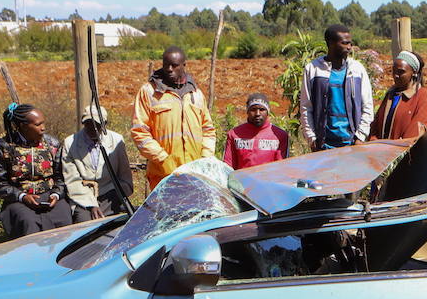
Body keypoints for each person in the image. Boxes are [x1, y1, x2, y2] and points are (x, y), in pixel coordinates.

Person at [130, 45, 216, 190]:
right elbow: (139, 132)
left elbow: (208, 129)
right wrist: (163, 159)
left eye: (174, 65)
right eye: (166, 65)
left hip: (194, 177)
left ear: (184, 66)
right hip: (163, 177)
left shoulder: (195, 94)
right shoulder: (149, 92)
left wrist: (204, 159)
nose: (169, 69)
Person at [0, 103, 72, 237]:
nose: (43, 128)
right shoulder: (5, 146)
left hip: (49, 196)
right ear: (23, 126)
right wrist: (22, 197)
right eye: (38, 125)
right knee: (28, 222)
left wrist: (56, 194)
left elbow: (60, 177)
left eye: (43, 123)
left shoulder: (52, 144)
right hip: (18, 199)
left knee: (64, 218)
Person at [299, 24, 373, 150]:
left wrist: (360, 137)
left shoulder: (357, 70)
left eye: (350, 43)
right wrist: (312, 138)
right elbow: (306, 107)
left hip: (351, 143)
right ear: (330, 43)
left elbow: (367, 106)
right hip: (324, 144)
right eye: (344, 43)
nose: (349, 47)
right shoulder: (313, 69)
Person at [62, 104, 134, 222]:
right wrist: (91, 204)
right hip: (82, 195)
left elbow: (124, 175)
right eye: (88, 124)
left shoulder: (116, 140)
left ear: (105, 124)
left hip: (109, 191)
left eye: (97, 125)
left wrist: (118, 195)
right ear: (83, 123)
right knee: (85, 222)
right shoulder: (70, 143)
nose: (93, 128)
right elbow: (72, 179)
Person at [371, 50, 427, 140]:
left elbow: (416, 132)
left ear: (414, 73)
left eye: (401, 72)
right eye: (394, 71)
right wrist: (375, 142)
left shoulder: (422, 96)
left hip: (404, 152)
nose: (396, 75)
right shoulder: (391, 95)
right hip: (383, 151)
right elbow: (376, 124)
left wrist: (399, 148)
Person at [223, 93, 289, 169]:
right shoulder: (234, 134)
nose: (257, 114)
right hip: (241, 180)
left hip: (269, 180)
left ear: (268, 112)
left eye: (262, 109)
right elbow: (228, 166)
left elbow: (281, 168)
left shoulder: (280, 135)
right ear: (247, 112)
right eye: (253, 110)